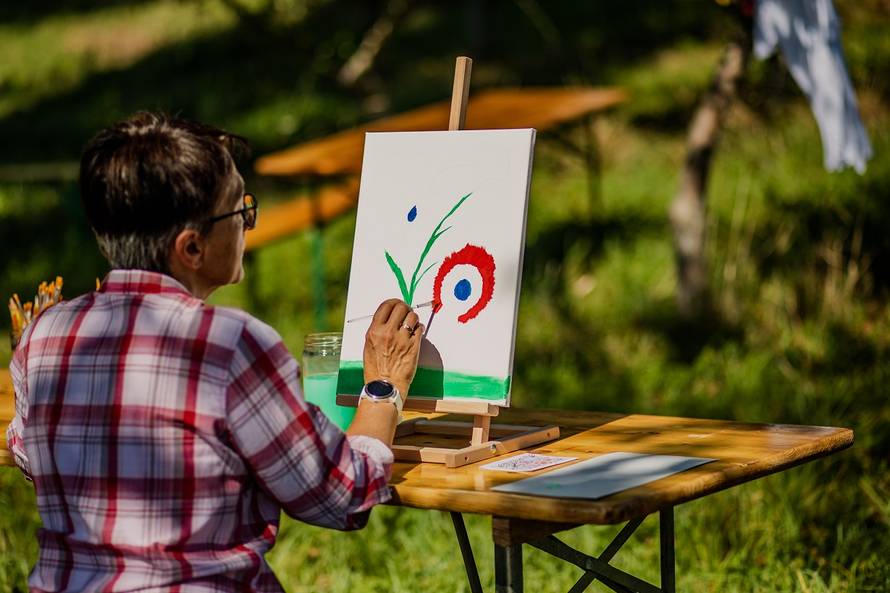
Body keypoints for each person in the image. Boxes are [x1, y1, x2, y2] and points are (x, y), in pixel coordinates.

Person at [6, 112, 423, 592]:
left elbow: (28, 455)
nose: (248, 223)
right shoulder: (230, 346)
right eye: (239, 210)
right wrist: (382, 388)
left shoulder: (43, 336)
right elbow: (340, 497)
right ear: (192, 248)